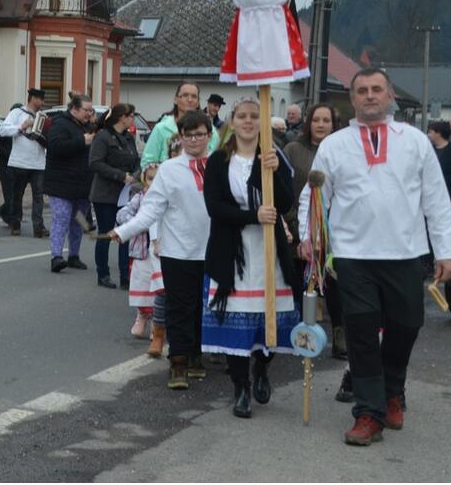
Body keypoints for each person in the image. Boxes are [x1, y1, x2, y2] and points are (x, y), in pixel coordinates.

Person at [297, 68, 451, 446]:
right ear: (352, 100)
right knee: (362, 334)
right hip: (353, 256)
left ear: (390, 97)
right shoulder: (335, 144)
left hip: (405, 252)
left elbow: (435, 198)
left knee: (406, 326)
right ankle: (369, 413)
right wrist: (310, 236)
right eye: (362, 91)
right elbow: (315, 195)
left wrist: (447, 250)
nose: (370, 96)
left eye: (377, 90)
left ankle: (392, 392)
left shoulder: (415, 141)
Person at [202, 97, 300, 419]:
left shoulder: (273, 157)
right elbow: (214, 208)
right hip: (233, 251)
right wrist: (252, 216)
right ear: (232, 120)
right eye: (242, 116)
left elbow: (285, 202)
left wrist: (275, 173)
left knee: (270, 317)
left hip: (269, 251)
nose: (247, 121)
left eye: (254, 116)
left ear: (262, 121)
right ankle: (240, 386)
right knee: (237, 324)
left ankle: (262, 368)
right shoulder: (218, 160)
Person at [111, 110, 214, 388]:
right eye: (188, 135)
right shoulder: (169, 169)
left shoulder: (218, 166)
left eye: (200, 134)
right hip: (176, 252)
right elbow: (150, 211)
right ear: (180, 137)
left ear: (209, 135)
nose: (194, 140)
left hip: (211, 250)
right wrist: (123, 231)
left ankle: (195, 354)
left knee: (201, 307)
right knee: (179, 307)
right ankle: (178, 362)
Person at [283, 102, 345, 358]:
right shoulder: (292, 150)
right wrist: (293, 225)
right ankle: (301, 332)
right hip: (298, 227)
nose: (321, 125)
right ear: (308, 123)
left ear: (333, 124)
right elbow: (285, 188)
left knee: (333, 285)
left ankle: (340, 334)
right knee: (298, 283)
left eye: (326, 120)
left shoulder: (341, 151)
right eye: (316, 120)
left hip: (332, 231)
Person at [89, 103, 140, 289]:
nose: (133, 119)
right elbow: (95, 163)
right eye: (131, 115)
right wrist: (120, 176)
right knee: (106, 233)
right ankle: (103, 274)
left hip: (126, 194)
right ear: (122, 117)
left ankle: (126, 276)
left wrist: (135, 175)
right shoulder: (103, 137)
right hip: (105, 194)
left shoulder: (128, 138)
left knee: (126, 234)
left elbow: (136, 160)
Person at [43, 95, 96, 272]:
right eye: (86, 110)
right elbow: (56, 147)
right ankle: (56, 257)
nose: (90, 113)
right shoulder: (59, 124)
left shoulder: (88, 126)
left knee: (78, 221)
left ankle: (74, 255)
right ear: (74, 109)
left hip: (82, 184)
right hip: (61, 184)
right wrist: (82, 141)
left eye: (91, 110)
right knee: (61, 218)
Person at [116, 163, 163, 343]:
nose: (153, 182)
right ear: (144, 180)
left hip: (159, 253)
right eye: (150, 178)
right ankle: (141, 317)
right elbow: (122, 214)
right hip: (140, 251)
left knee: (157, 287)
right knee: (141, 285)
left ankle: (156, 325)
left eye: (157, 178)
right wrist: (137, 223)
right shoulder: (140, 197)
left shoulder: (167, 198)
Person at [0, 89, 48, 237]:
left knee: (38, 197)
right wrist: (21, 126)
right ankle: (15, 224)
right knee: (17, 195)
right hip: (19, 162)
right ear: (33, 98)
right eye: (41, 99)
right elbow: (3, 130)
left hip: (38, 163)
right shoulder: (17, 113)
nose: (43, 103)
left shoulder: (43, 117)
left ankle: (38, 227)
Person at [142, 82, 207, 167]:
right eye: (185, 95)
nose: (190, 100)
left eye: (194, 96)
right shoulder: (161, 128)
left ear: (198, 102)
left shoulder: (208, 130)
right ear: (176, 99)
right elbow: (147, 162)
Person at [0, 102, 22, 225]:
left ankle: (6, 212)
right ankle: (12, 219)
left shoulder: (22, 129)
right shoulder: (3, 129)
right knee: (9, 192)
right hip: (6, 166)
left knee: (17, 193)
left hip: (19, 165)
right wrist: (9, 154)